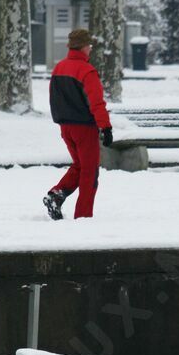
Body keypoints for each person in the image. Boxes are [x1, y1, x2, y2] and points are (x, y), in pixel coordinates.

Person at [43, 29, 113, 221]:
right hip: (85, 128)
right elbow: (96, 102)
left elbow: (53, 97)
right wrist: (105, 127)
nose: (90, 48)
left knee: (80, 166)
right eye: (89, 45)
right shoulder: (86, 71)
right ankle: (83, 216)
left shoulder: (59, 68)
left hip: (66, 127)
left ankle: (56, 195)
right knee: (90, 172)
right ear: (83, 47)